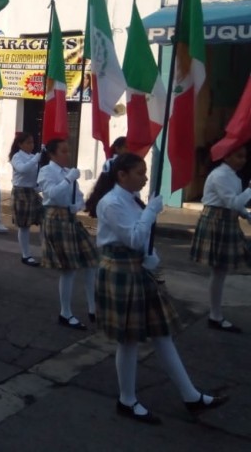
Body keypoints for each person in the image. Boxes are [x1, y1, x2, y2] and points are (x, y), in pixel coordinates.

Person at [90, 153, 229, 423]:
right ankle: (127, 400)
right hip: (120, 271)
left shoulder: (130, 199)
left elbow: (142, 241)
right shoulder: (110, 203)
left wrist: (151, 254)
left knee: (161, 334)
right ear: (122, 175)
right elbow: (133, 237)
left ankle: (191, 396)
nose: (144, 177)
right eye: (140, 172)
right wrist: (151, 212)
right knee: (129, 340)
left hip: (138, 269)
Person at [189, 145, 251, 333]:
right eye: (238, 156)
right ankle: (215, 316)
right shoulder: (221, 175)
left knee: (221, 271)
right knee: (219, 271)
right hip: (217, 221)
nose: (242, 160)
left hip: (226, 221)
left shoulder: (232, 175)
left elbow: (235, 203)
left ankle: (215, 315)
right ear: (226, 156)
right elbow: (232, 202)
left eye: (244, 157)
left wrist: (247, 215)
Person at [38, 139, 99, 330]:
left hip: (71, 217)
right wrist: (68, 179)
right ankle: (65, 313)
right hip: (56, 219)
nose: (67, 154)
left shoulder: (67, 172)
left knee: (91, 259)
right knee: (68, 269)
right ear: (52, 154)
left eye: (68, 150)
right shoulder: (46, 171)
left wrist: (78, 205)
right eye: (63, 151)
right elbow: (52, 194)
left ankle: (93, 307)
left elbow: (79, 196)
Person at [9, 132, 43, 266]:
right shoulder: (16, 157)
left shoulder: (32, 157)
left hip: (32, 192)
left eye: (32, 142)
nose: (31, 145)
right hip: (21, 192)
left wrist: (39, 186)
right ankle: (26, 255)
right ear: (20, 144)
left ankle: (46, 251)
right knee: (24, 226)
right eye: (28, 142)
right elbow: (22, 169)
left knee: (44, 220)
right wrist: (36, 159)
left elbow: (35, 175)